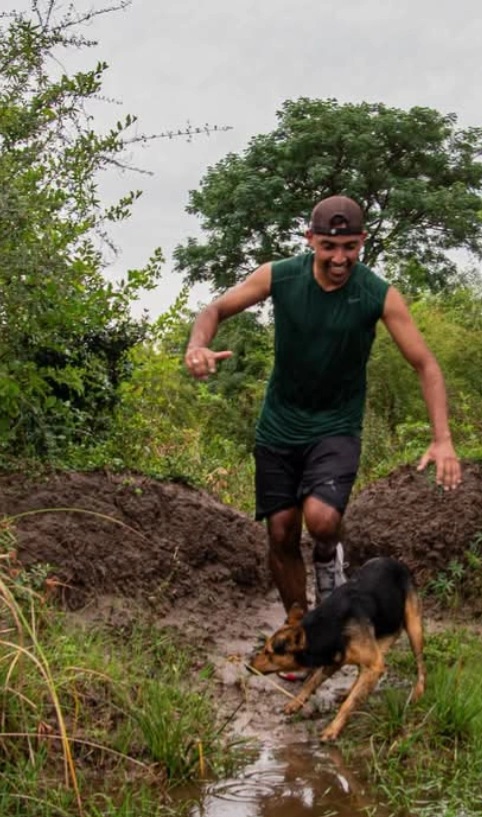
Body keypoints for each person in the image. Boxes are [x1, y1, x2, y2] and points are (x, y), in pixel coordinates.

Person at [184, 195, 462, 617]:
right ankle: (300, 627)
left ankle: (330, 557)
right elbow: (216, 308)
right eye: (329, 246)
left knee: (322, 520)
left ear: (362, 241)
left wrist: (442, 439)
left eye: (349, 247)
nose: (339, 258)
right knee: (281, 531)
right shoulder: (280, 276)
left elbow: (425, 364)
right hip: (279, 425)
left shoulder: (377, 294)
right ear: (310, 238)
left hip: (336, 425)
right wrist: (198, 345)